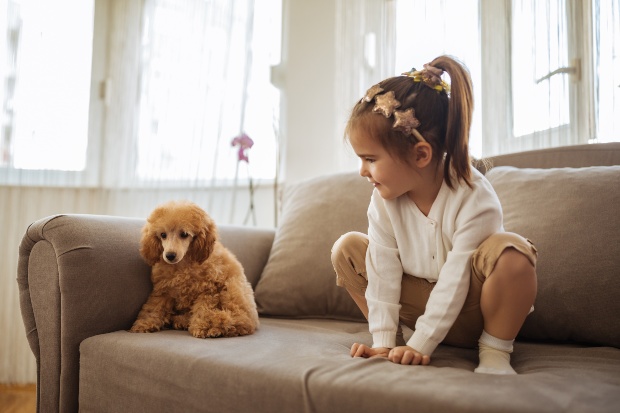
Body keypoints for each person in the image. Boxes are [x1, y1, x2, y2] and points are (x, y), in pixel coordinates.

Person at [331, 55, 538, 374]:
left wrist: (421, 344)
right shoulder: (383, 199)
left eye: (370, 159)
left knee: (513, 253)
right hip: (417, 308)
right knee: (348, 248)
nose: (362, 171)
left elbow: (456, 278)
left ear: (421, 154)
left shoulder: (473, 196)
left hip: (474, 310)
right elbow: (383, 269)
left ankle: (495, 351)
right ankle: (393, 343)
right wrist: (386, 341)